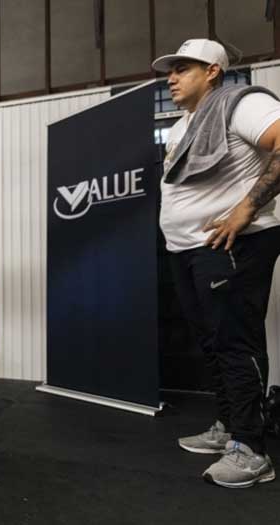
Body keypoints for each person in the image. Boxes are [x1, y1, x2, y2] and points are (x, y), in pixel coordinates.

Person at [152, 39, 280, 488]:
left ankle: (252, 451)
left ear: (212, 71)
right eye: (170, 70)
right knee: (210, 341)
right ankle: (229, 428)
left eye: (182, 68)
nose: (171, 77)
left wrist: (245, 209)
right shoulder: (185, 125)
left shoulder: (241, 104)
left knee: (234, 341)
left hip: (232, 244)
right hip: (188, 249)